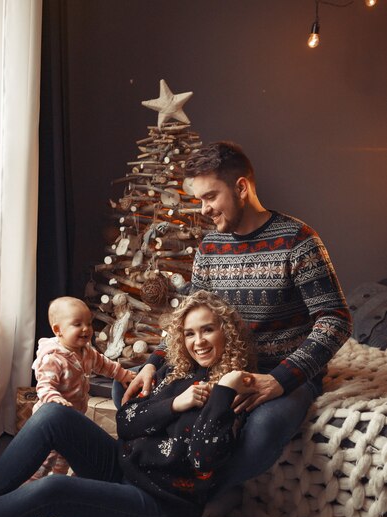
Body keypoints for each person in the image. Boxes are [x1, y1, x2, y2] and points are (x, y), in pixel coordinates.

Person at [122, 141, 352, 498]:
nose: (203, 210)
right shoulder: (210, 248)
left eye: (210, 197)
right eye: (199, 199)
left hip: (280, 370)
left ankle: (187, 497)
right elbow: (190, 317)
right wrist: (154, 362)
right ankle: (155, 480)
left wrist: (280, 380)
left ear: (241, 188)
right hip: (216, 368)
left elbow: (335, 319)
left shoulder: (298, 240)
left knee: (264, 427)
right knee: (131, 389)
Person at [0, 291, 256, 517]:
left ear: (227, 332)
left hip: (158, 502)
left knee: (51, 489)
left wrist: (224, 390)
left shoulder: (235, 393)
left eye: (207, 330)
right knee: (52, 415)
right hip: (121, 466)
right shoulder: (175, 372)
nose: (198, 342)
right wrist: (174, 404)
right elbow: (127, 422)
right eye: (189, 334)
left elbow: (203, 458)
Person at [29, 296, 135, 479]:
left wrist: (122, 374)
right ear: (58, 330)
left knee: (66, 455)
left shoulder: (87, 352)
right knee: (46, 458)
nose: (86, 329)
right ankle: (33, 486)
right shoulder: (53, 358)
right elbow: (44, 386)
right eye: (77, 324)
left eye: (89, 323)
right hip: (51, 421)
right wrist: (54, 399)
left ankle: (59, 482)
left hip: (74, 417)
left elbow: (105, 365)